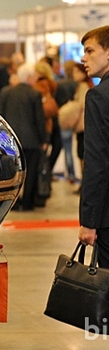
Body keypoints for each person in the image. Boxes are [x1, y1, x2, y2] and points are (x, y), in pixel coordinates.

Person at [78, 26, 109, 267]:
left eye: (90, 51)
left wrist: (88, 221)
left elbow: (97, 161)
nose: (83, 58)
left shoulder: (99, 96)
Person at [0, 63, 47, 211]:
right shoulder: (35, 94)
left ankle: (12, 203)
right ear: (29, 77)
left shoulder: (6, 92)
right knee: (30, 172)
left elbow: (1, 117)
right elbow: (39, 119)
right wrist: (44, 139)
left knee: (13, 173)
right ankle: (27, 203)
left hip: (10, 140)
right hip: (31, 140)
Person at [52, 59, 77, 182]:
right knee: (71, 148)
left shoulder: (61, 84)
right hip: (75, 117)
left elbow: (56, 101)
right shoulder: (76, 84)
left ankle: (70, 174)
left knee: (66, 147)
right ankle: (72, 174)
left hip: (63, 117)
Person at [71, 62, 94, 191]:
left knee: (82, 155)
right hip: (82, 125)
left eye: (76, 72)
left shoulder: (84, 86)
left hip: (82, 126)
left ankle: (85, 184)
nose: (74, 75)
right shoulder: (81, 86)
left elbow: (80, 106)